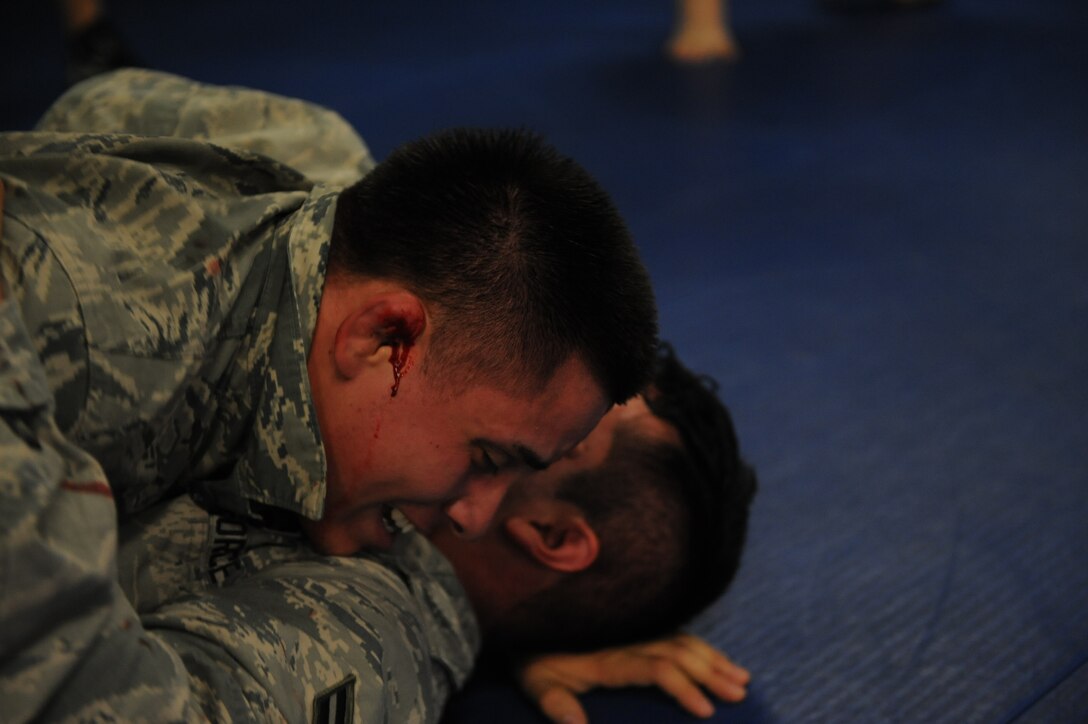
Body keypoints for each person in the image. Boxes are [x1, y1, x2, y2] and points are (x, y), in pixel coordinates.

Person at [0, 69, 657, 717]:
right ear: (385, 338)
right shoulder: (88, 346)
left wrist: (528, 617)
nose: (476, 517)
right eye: (487, 459)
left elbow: (99, 100)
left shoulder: (311, 164)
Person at [69, 344, 753, 724]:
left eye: (565, 424)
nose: (512, 375)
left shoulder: (361, 647)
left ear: (549, 535)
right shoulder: (372, 340)